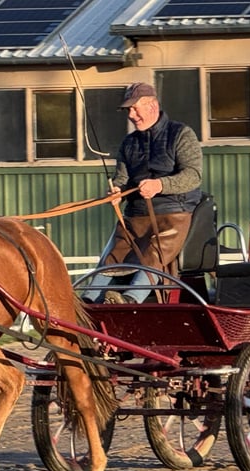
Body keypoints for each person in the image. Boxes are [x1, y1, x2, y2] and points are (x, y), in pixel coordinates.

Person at [82, 81, 203, 304]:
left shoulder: (181, 134)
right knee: (112, 256)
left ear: (152, 106)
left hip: (173, 214)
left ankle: (131, 299)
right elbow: (122, 179)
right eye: (128, 110)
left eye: (135, 108)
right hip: (135, 215)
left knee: (155, 252)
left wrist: (160, 185)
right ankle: (88, 301)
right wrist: (117, 191)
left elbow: (193, 176)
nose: (131, 114)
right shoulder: (128, 143)